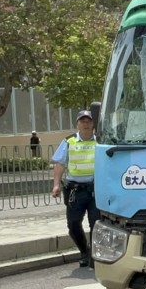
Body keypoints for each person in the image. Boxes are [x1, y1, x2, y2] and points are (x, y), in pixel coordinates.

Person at [51, 110, 99, 267]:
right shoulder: (69, 141)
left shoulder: (100, 141)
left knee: (96, 224)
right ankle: (84, 251)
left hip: (95, 190)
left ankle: (94, 255)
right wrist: (56, 185)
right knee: (73, 225)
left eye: (88, 121)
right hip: (75, 191)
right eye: (82, 121)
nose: (86, 124)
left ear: (93, 124)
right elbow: (60, 164)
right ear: (77, 124)